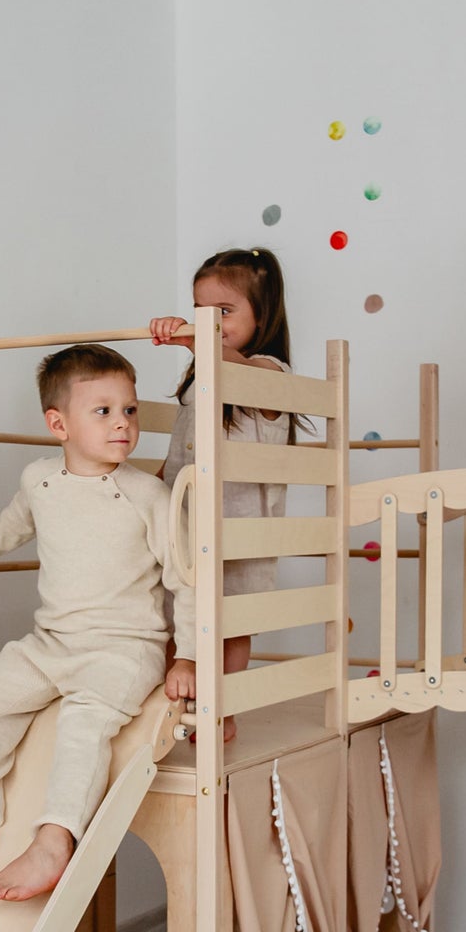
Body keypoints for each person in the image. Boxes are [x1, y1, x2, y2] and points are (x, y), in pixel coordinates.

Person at [0, 343, 196, 901]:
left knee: (83, 725)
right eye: (103, 411)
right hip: (52, 643)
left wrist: (189, 656)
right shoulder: (40, 479)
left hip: (124, 649)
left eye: (129, 410)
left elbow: (185, 577)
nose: (123, 423)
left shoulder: (148, 495)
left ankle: (54, 840)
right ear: (59, 425)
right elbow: (14, 523)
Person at [149, 247, 296, 741]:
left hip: (238, 529)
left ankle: (222, 712)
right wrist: (151, 487)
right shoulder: (199, 377)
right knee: (178, 618)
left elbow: (236, 369)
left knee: (230, 624)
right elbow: (180, 448)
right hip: (187, 521)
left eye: (224, 312)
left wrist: (196, 340)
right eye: (200, 311)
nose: (209, 322)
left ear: (263, 316)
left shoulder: (269, 372)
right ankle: (174, 709)